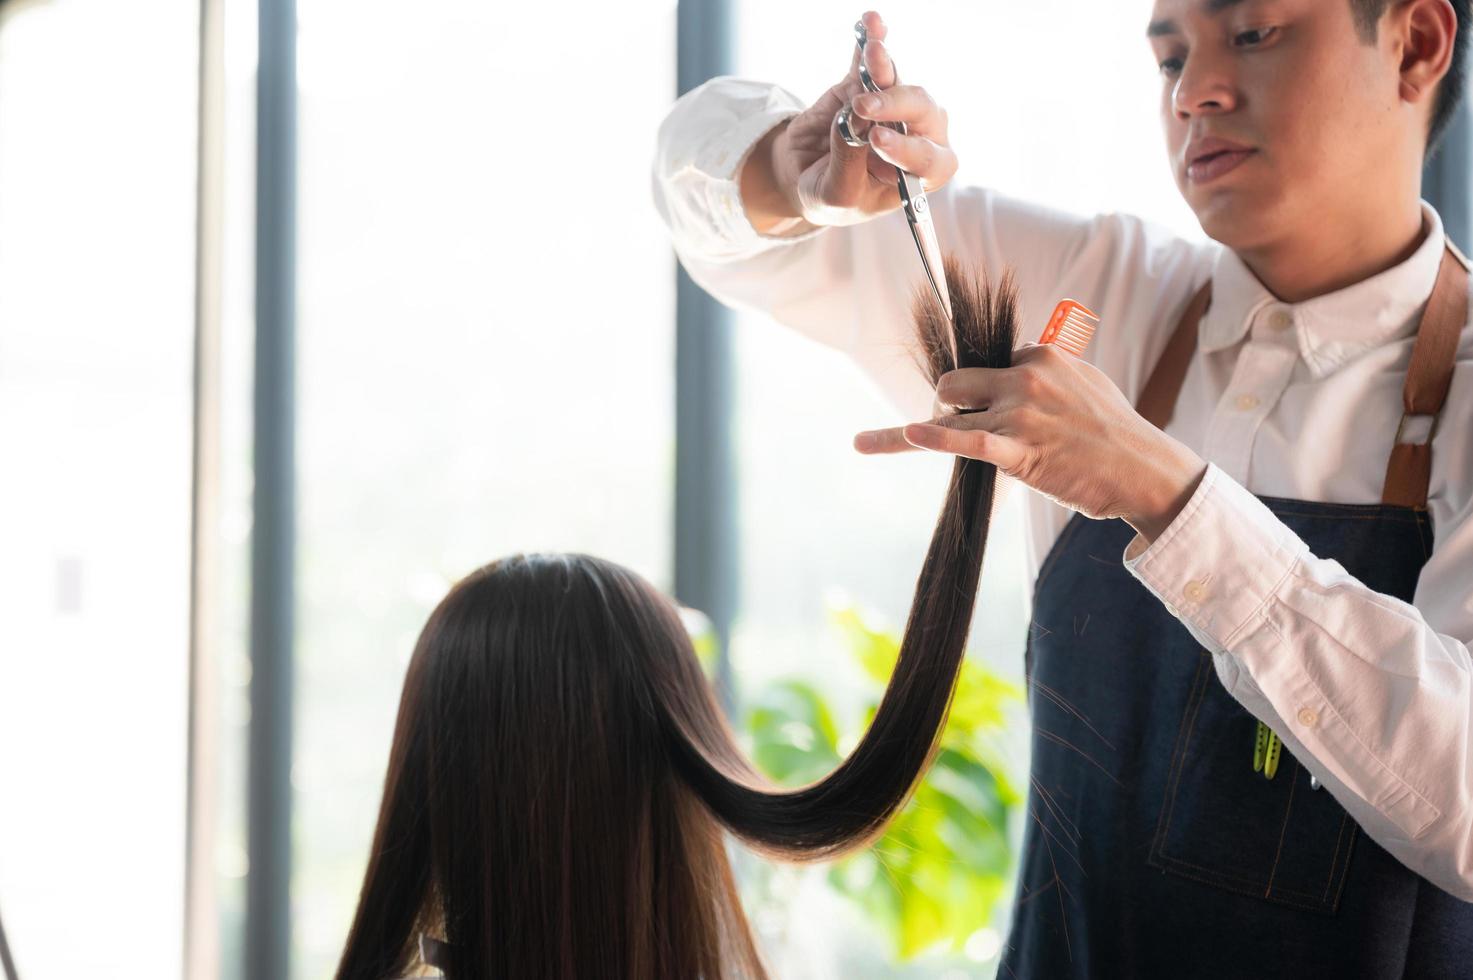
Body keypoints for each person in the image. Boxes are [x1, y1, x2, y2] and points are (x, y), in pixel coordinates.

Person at [652, 2, 1473, 976]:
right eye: (1170, 57)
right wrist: (805, 171)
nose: (1194, 91)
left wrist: (1164, 490)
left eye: (1253, 34)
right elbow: (712, 209)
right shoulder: (1093, 291)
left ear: (1415, 44)